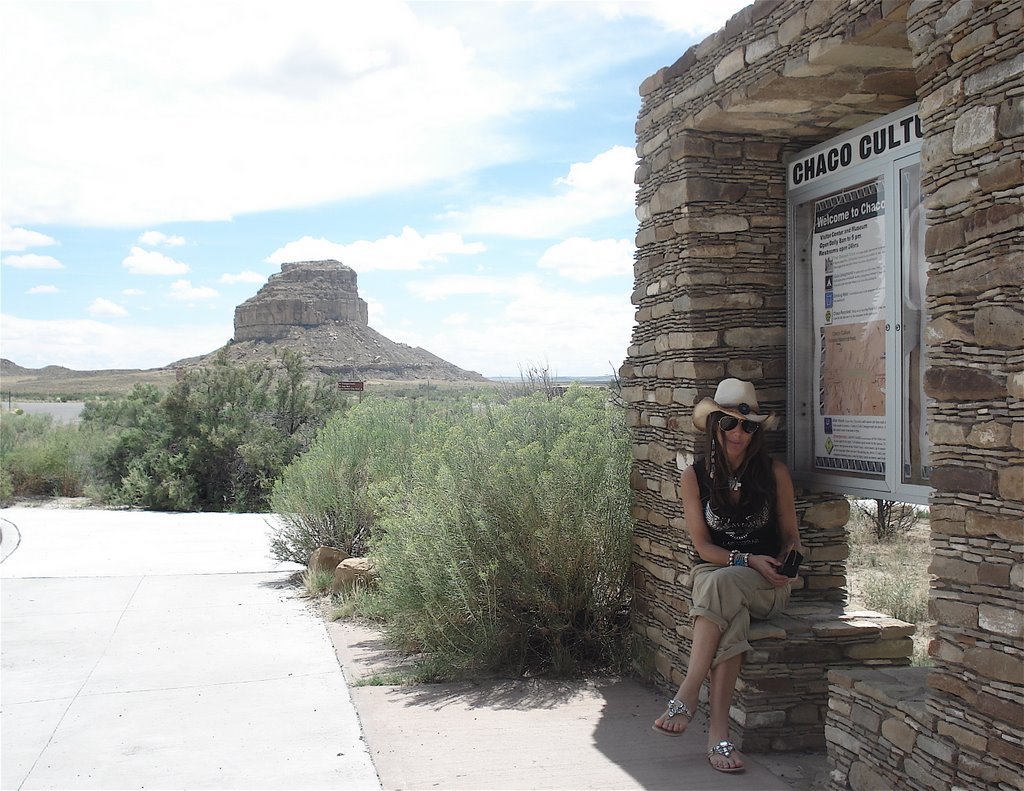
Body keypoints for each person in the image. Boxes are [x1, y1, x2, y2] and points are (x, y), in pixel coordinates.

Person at [651, 378, 803, 774]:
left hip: (765, 586)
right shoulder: (694, 477)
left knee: (721, 586)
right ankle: (719, 737)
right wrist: (745, 559)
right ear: (714, 425)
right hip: (718, 572)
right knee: (728, 613)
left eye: (748, 427)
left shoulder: (774, 474)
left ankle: (688, 690)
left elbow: (791, 538)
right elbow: (703, 548)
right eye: (730, 424)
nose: (739, 434)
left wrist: (785, 561)